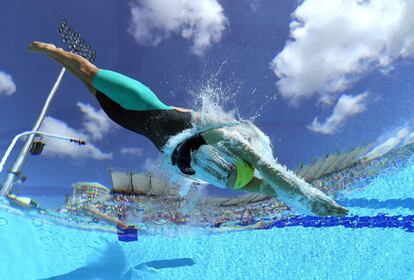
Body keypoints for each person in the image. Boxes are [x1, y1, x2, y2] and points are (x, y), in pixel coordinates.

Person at [29, 41, 348, 217]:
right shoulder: (220, 134)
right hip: (144, 105)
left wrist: (306, 205)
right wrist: (311, 199)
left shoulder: (228, 174)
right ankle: (55, 51)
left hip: (132, 124)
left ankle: (61, 60)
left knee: (90, 86)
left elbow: (269, 187)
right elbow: (273, 173)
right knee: (89, 71)